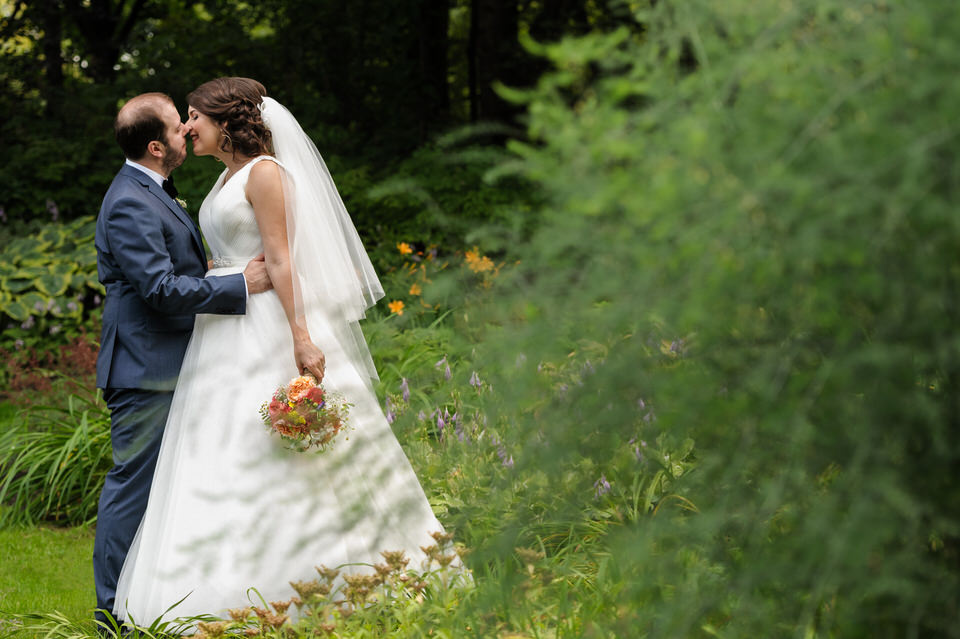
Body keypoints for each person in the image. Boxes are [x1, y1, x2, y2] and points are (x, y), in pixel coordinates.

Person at [112, 78, 452, 624]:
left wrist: (300, 334)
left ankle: (341, 574)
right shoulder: (225, 176)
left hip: (265, 325)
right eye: (183, 120)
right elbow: (226, 257)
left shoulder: (266, 172)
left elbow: (282, 259)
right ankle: (219, 587)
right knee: (223, 452)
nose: (187, 127)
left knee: (293, 450)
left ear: (225, 122)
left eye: (194, 116)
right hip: (221, 330)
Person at [93, 92, 274, 631]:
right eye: (179, 126)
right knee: (135, 489)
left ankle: (159, 598)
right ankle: (113, 614)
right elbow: (161, 290)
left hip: (173, 360)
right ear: (156, 146)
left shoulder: (153, 191)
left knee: (171, 488)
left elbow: (174, 267)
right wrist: (238, 283)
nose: (189, 131)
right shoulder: (129, 200)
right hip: (146, 368)